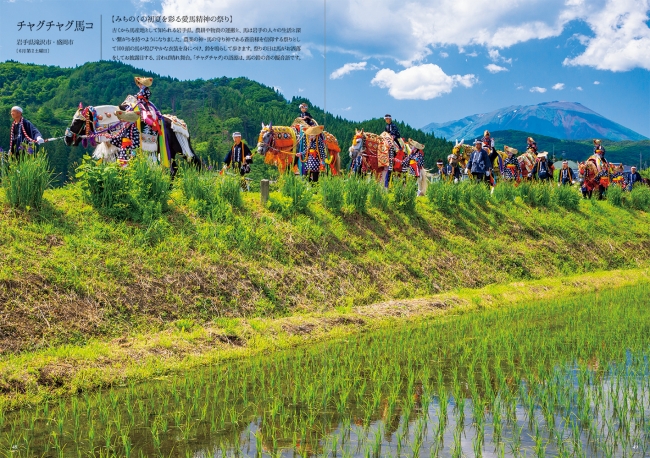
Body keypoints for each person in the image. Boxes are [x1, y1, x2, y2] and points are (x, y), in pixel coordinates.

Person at [383, 114, 403, 187]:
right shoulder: (386, 126)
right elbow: (385, 132)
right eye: (385, 119)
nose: (386, 120)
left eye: (387, 119)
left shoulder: (393, 125)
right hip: (388, 138)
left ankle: (398, 148)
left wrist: (391, 134)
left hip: (394, 138)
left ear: (390, 119)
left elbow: (395, 131)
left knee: (393, 141)